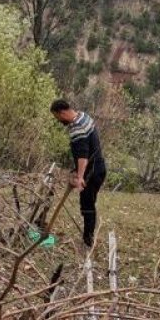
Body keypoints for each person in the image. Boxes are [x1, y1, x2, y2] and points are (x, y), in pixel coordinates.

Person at [50, 99, 106, 249]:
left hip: (92, 172)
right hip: (98, 167)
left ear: (62, 113)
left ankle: (88, 241)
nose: (59, 121)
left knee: (87, 205)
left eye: (57, 118)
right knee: (87, 203)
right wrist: (76, 171)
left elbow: (83, 155)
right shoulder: (83, 116)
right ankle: (88, 237)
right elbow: (89, 146)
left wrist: (80, 177)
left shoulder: (77, 128)